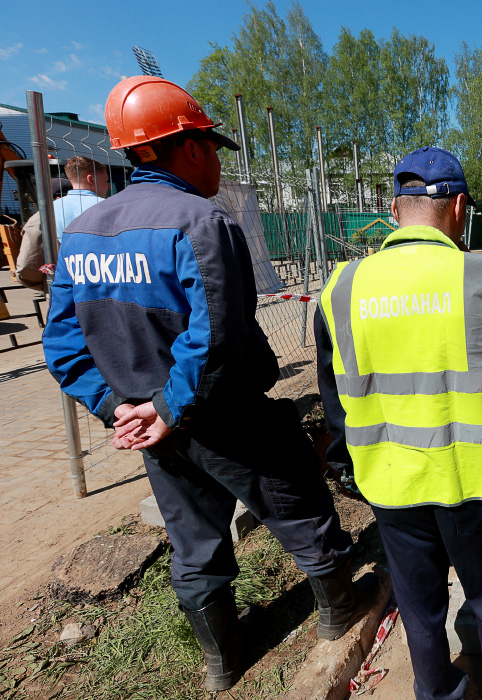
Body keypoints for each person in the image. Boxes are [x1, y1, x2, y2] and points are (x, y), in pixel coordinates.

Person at [42, 76, 372, 692]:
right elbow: (218, 337)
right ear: (187, 146)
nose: (218, 161)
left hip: (154, 429)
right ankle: (341, 610)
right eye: (214, 148)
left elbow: (62, 347)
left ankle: (224, 661)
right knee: (300, 506)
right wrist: (169, 406)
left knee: (193, 542)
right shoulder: (199, 222)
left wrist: (122, 409)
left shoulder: (84, 235)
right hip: (221, 415)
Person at [315, 146, 482, 700]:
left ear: (395, 210)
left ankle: (439, 693)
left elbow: (334, 403)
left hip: (392, 486)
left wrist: (346, 468)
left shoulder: (342, 288)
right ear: (460, 207)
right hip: (474, 482)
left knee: (420, 610)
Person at [15, 177, 72, 291]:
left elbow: (28, 263)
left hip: (59, 285)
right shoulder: (91, 211)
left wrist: (44, 283)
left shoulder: (38, 220)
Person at [53, 156, 109, 244]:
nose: (108, 186)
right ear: (91, 179)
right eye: (106, 181)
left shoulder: (52, 207)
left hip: (63, 256)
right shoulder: (105, 205)